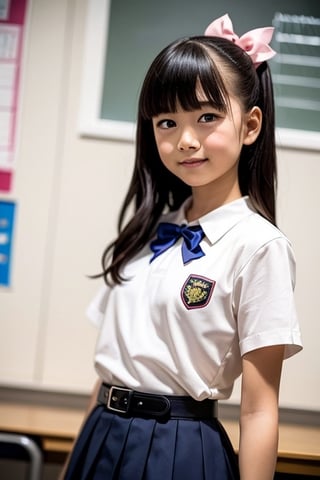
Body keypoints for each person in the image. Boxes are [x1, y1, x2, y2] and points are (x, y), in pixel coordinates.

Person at [62, 13, 302, 480]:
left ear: (251, 125)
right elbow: (110, 370)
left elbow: (258, 411)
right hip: (101, 434)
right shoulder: (147, 229)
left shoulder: (259, 245)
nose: (185, 141)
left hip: (180, 449)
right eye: (167, 121)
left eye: (207, 117)